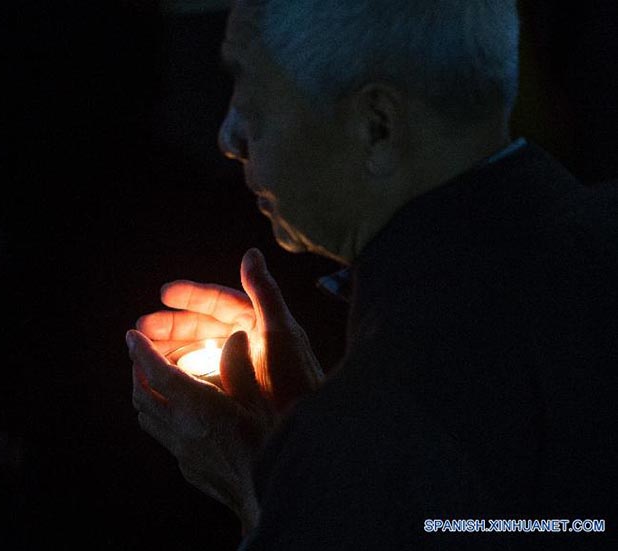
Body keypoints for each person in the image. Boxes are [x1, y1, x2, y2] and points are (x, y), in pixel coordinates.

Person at [127, 0, 618, 549]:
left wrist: (267, 485)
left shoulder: (375, 436)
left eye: (252, 90)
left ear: (377, 126)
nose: (229, 136)